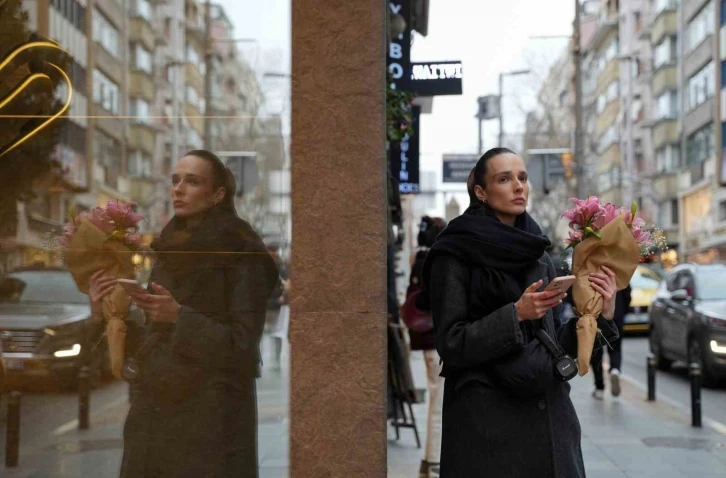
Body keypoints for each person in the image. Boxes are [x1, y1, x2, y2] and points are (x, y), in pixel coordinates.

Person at [422, 147, 620, 477]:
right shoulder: (453, 253)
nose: (518, 186)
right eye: (504, 179)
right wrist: (516, 314)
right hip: (488, 430)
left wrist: (601, 315)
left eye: (523, 178)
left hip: (550, 422)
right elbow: (451, 342)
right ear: (481, 192)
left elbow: (554, 341)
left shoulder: (536, 250)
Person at [89, 150, 278, 477]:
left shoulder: (241, 251)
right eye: (176, 180)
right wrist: (107, 309)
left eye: (192, 181)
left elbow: (243, 346)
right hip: (155, 423)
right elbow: (152, 338)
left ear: (218, 194)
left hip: (208, 432)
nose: (178, 189)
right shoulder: (170, 248)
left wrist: (179, 316)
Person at [407, 216, 447, 478]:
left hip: (426, 343)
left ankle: (429, 460)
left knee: (436, 399)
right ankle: (433, 461)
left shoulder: (417, 259)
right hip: (435, 342)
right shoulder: (434, 262)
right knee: (439, 403)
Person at [591, 284, 631, 399]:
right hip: (616, 316)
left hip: (594, 317)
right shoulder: (618, 271)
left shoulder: (590, 271)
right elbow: (627, 295)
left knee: (596, 354)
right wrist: (623, 311)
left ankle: (599, 388)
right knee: (615, 349)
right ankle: (615, 370)